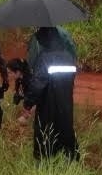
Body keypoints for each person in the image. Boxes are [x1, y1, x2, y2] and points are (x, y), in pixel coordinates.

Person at [23, 26, 79, 161]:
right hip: (66, 102)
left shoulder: (44, 58)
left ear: (45, 40)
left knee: (45, 131)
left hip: (48, 103)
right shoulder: (68, 56)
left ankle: (44, 161)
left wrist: (28, 103)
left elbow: (37, 84)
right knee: (66, 129)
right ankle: (70, 158)